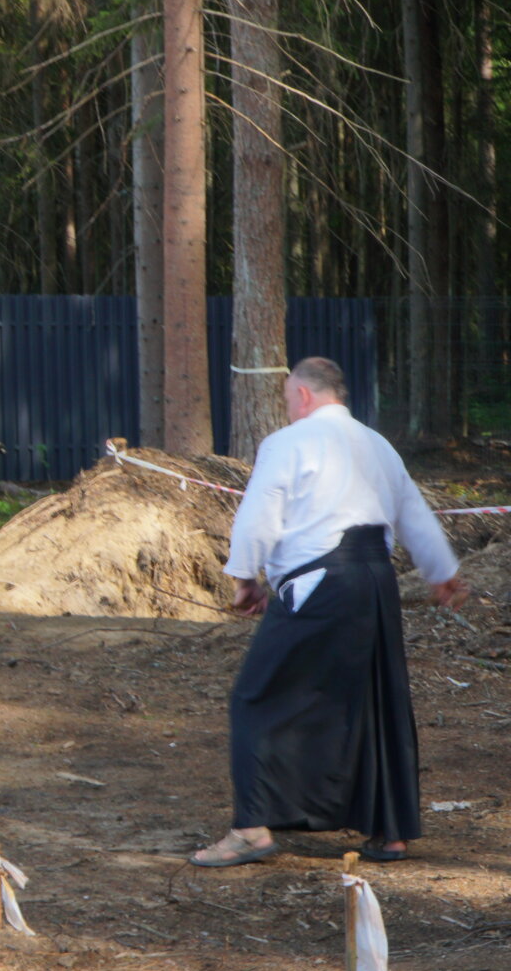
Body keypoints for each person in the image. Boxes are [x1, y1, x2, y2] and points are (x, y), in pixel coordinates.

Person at [190, 357, 469, 868]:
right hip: (374, 581)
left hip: (319, 580)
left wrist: (244, 577)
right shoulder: (377, 444)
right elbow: (412, 513)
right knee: (375, 700)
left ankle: (252, 829)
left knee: (256, 697)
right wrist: (441, 572)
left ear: (302, 395)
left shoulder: (287, 443)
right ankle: (391, 833)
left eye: (287, 397)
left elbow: (260, 510)